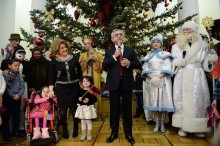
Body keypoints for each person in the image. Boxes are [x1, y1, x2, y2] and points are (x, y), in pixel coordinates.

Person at [171, 21, 218, 137]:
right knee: (181, 100)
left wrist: (211, 59)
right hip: (182, 75)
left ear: (194, 31)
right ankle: (183, 126)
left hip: (197, 75)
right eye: (184, 30)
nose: (186, 32)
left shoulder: (204, 45)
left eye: (189, 30)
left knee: (198, 101)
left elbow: (205, 63)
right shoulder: (175, 46)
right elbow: (172, 62)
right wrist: (177, 62)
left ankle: (198, 127)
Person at [102, 29, 141, 144]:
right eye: (116, 35)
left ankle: (128, 133)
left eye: (120, 35)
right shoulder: (109, 52)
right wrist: (114, 56)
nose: (119, 36)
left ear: (123, 38)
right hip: (114, 84)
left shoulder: (130, 50)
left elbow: (138, 64)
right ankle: (114, 133)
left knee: (127, 110)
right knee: (114, 110)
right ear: (113, 39)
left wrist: (129, 63)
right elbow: (104, 66)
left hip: (127, 84)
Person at [48, 38, 82, 139]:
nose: (64, 49)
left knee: (74, 109)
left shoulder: (74, 58)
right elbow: (51, 76)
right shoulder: (53, 62)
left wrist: (82, 83)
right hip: (61, 88)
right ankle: (65, 129)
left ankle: (76, 127)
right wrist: (51, 89)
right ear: (57, 49)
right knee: (62, 110)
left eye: (65, 47)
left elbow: (79, 72)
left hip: (74, 87)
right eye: (62, 48)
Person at [141, 36, 175, 133]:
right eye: (153, 42)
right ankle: (156, 123)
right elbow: (145, 68)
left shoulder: (166, 55)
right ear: (151, 44)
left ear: (161, 44)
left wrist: (159, 77)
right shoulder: (148, 57)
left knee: (162, 102)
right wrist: (153, 78)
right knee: (154, 102)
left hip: (163, 80)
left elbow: (167, 67)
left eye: (157, 42)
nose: (155, 43)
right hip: (152, 81)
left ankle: (162, 123)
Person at [79, 37, 104, 118]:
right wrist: (86, 60)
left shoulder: (98, 54)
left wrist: (96, 60)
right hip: (86, 78)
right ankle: (86, 114)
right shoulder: (83, 55)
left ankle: (96, 113)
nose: (85, 46)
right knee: (85, 93)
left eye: (86, 44)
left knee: (95, 93)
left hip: (95, 78)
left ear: (90, 44)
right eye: (84, 44)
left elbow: (101, 66)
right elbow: (80, 67)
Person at [1, 59, 25, 141]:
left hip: (17, 98)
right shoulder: (5, 74)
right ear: (9, 66)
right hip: (8, 98)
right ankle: (6, 135)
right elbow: (6, 87)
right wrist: (12, 95)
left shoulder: (19, 75)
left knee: (16, 116)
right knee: (6, 117)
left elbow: (22, 87)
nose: (17, 67)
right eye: (15, 65)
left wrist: (18, 95)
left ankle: (16, 131)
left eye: (18, 65)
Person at [75, 76, 98, 142]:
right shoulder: (80, 91)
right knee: (82, 121)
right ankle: (84, 134)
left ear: (90, 83)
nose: (86, 82)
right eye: (84, 81)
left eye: (88, 81)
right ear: (82, 83)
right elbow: (76, 99)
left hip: (88, 108)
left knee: (88, 121)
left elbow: (95, 99)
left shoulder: (91, 91)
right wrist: (79, 99)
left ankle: (89, 134)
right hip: (81, 108)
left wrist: (89, 100)